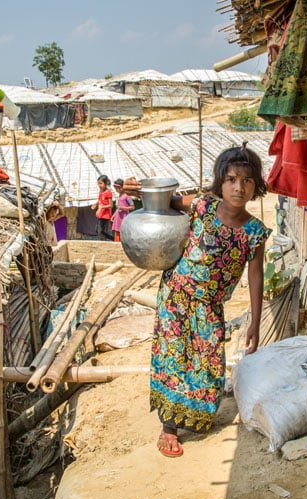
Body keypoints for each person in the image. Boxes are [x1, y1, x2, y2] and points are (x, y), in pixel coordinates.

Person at [142, 144, 271, 458]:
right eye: (231, 179)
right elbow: (164, 202)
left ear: (256, 186)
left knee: (207, 362)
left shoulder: (254, 232)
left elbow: (255, 276)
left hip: (210, 306)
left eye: (247, 181)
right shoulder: (201, 206)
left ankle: (195, 413)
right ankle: (169, 427)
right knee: (173, 357)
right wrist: (138, 192)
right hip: (175, 295)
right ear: (220, 182)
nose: (238, 187)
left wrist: (255, 321)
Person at [90, 175, 113, 241]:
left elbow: (111, 205)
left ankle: (104, 243)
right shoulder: (101, 192)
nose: (99, 185)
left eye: (101, 183)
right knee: (97, 230)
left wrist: (101, 207)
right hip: (100, 214)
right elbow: (100, 200)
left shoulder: (108, 193)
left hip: (105, 216)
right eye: (98, 184)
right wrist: (95, 204)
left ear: (105, 183)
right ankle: (103, 241)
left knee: (102, 232)